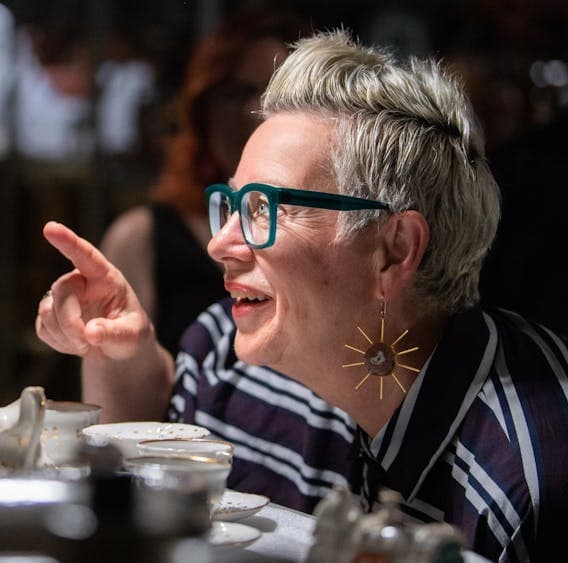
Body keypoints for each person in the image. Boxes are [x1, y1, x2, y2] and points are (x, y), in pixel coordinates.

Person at [35, 30, 566, 561]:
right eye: (231, 204)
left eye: (265, 208)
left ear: (395, 249)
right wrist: (120, 354)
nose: (220, 244)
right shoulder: (230, 351)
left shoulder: (527, 476)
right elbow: (146, 484)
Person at [100, 10, 307, 357]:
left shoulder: (326, 235)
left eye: (275, 95)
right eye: (234, 93)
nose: (255, 111)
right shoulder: (141, 238)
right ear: (202, 112)